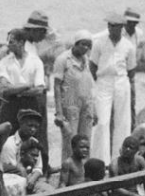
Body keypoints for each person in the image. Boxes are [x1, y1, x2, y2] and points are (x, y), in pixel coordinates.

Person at [91, 12, 137, 162]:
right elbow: (92, 65)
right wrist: (96, 84)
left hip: (121, 82)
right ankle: (100, 160)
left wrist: (126, 85)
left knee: (123, 121)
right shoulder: (99, 43)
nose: (111, 28)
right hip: (103, 81)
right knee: (102, 122)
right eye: (109, 25)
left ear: (121, 27)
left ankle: (120, 158)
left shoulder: (128, 46)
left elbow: (131, 70)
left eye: (115, 26)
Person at [51, 35, 96, 166]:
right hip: (70, 105)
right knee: (70, 141)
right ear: (75, 43)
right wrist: (59, 112)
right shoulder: (63, 59)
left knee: (86, 141)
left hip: (86, 105)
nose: (86, 48)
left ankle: (84, 172)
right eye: (83, 44)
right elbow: (57, 86)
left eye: (88, 46)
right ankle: (68, 172)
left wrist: (95, 109)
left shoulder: (85, 60)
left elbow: (90, 85)